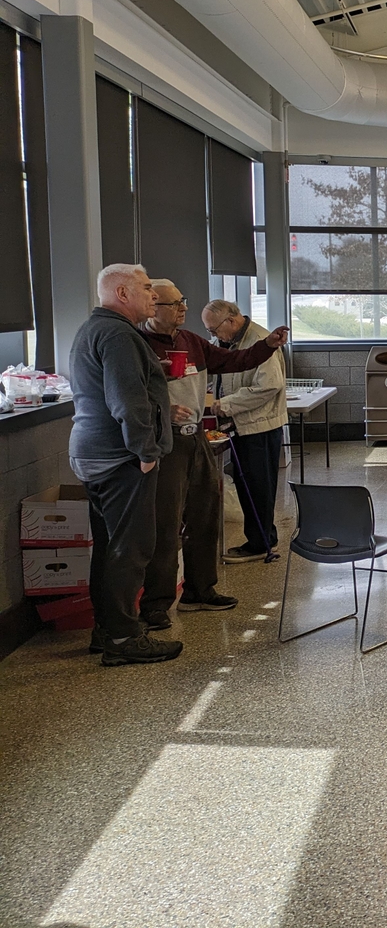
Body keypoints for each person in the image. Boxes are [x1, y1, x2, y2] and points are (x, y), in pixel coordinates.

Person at [138, 281, 287, 621]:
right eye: (176, 304)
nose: (183, 309)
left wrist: (267, 344)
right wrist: (159, 409)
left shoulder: (191, 342)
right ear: (153, 306)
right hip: (165, 442)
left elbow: (237, 360)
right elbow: (122, 394)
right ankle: (156, 604)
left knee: (205, 515)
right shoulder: (137, 343)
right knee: (166, 525)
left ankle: (200, 590)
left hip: (196, 440)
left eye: (183, 301)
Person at [68, 264, 180, 666]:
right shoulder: (117, 333)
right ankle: (122, 638)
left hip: (94, 453)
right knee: (131, 549)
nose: (154, 295)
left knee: (111, 547)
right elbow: (126, 400)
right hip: (120, 457)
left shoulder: (93, 328)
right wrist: (146, 452)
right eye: (147, 288)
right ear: (121, 293)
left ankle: (107, 628)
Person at [203, 299, 288, 563]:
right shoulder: (229, 342)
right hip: (240, 424)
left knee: (258, 487)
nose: (213, 336)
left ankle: (261, 543)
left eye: (214, 329)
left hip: (259, 425)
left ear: (231, 320)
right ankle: (260, 538)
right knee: (247, 484)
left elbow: (269, 386)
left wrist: (225, 404)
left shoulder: (261, 340)